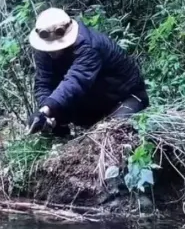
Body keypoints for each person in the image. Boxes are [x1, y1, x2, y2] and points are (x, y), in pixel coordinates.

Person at [26, 7, 148, 137]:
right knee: (56, 124)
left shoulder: (89, 46)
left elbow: (76, 80)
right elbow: (43, 82)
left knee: (113, 138)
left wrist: (47, 109)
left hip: (125, 99)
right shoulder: (43, 50)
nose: (51, 51)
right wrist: (46, 114)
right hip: (92, 105)